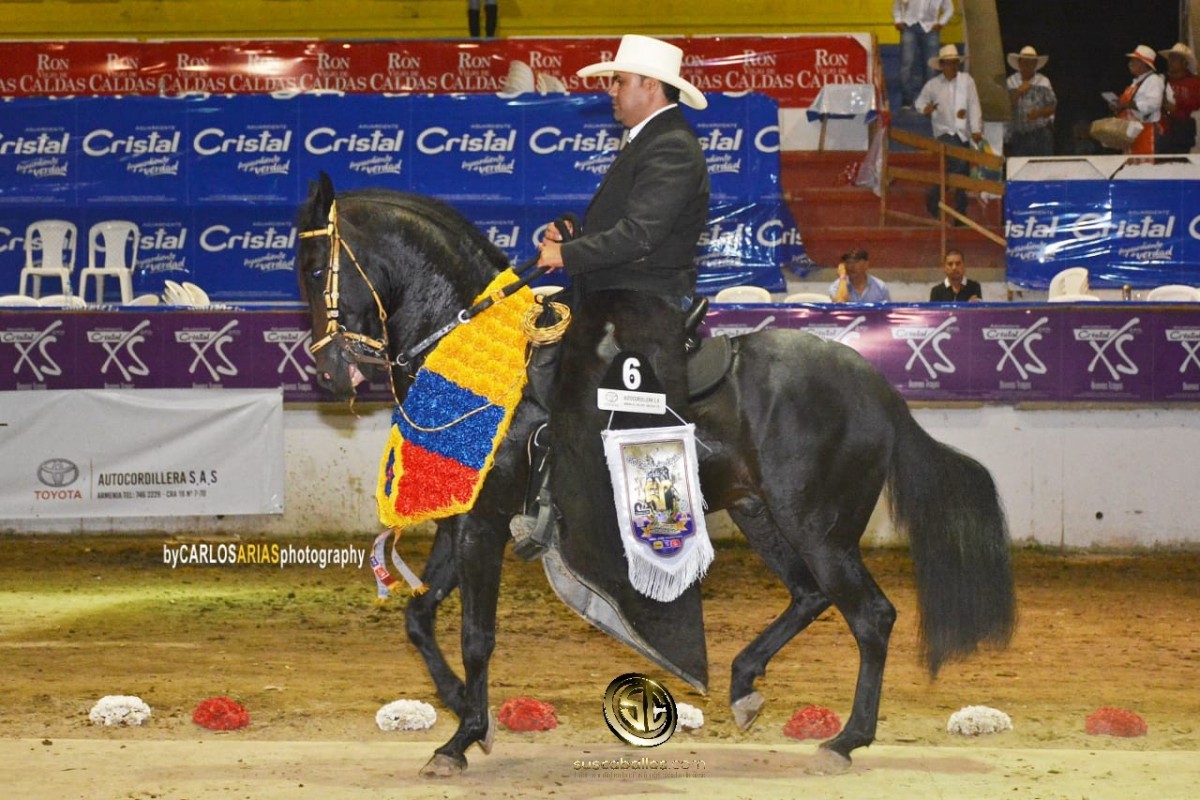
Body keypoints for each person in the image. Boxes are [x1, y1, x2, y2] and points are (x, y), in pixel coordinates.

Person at [517, 34, 710, 548]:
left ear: (651, 86)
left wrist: (568, 255)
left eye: (620, 81)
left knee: (626, 404)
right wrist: (575, 237)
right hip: (617, 291)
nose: (612, 91)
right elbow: (629, 229)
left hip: (642, 300)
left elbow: (641, 235)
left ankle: (654, 521)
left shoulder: (670, 146)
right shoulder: (652, 141)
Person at [916, 43, 982, 220]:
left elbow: (974, 105)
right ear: (942, 65)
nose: (952, 66)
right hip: (944, 131)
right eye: (948, 63)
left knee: (963, 172)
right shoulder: (933, 85)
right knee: (960, 163)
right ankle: (936, 196)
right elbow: (919, 102)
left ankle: (959, 212)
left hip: (963, 132)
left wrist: (976, 129)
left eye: (954, 63)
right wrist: (925, 109)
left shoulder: (967, 81)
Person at [893, 0, 956, 111]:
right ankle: (907, 100)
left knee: (931, 66)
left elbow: (949, 9)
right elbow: (898, 3)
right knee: (906, 65)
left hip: (931, 28)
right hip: (909, 26)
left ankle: (928, 100)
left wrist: (941, 23)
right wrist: (897, 20)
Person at [1107, 44, 1164, 155]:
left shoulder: (1154, 80)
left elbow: (1153, 104)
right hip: (1131, 133)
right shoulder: (1135, 83)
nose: (1130, 64)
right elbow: (1126, 105)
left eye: (1133, 61)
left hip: (1146, 131)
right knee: (1131, 163)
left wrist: (1127, 105)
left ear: (1143, 63)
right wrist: (1118, 106)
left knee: (1146, 163)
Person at [1005, 46, 1056, 157]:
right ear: (1019, 63)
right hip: (1019, 135)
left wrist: (1038, 113)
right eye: (1025, 62)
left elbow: (1052, 108)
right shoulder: (1010, 82)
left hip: (1041, 135)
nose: (1028, 65)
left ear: (1035, 64)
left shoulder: (1044, 82)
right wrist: (1018, 92)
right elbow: (1006, 108)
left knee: (1043, 165)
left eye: (1031, 62)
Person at [1157, 43, 1200, 154]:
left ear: (1185, 63)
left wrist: (1178, 106)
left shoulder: (1195, 82)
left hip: (1184, 132)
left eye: (1174, 59)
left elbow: (1196, 103)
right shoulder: (1162, 80)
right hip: (1162, 132)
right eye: (1170, 58)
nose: (1170, 62)